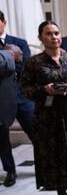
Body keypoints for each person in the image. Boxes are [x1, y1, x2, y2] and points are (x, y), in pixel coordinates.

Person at [21, 21, 67, 195]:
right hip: (48, 117)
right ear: (41, 38)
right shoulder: (34, 62)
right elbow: (24, 89)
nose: (54, 37)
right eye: (48, 34)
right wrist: (44, 90)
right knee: (54, 156)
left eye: (56, 33)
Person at [0, 10, 35, 144]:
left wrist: (4, 64)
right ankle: (9, 166)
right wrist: (12, 59)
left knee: (36, 134)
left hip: (22, 96)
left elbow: (25, 66)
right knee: (3, 145)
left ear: (4, 22)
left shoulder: (19, 42)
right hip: (2, 99)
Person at [0, 45, 21, 187]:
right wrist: (8, 53)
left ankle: (10, 170)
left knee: (2, 140)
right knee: (2, 140)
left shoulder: (12, 45)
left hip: (17, 99)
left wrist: (8, 54)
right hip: (3, 101)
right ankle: (10, 170)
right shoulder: (6, 53)